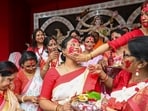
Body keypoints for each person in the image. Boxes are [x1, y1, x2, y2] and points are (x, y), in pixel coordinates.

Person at [73, 0, 148, 63]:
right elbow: (109, 45)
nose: (143, 17)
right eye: (142, 14)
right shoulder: (135, 34)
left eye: (147, 14)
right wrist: (88, 57)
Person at [39, 37, 101, 111]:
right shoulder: (53, 72)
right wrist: (60, 108)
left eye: (78, 45)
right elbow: (43, 101)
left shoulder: (88, 71)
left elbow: (97, 97)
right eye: (73, 45)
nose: (76, 47)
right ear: (63, 51)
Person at [100, 36, 148, 111]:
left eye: (126, 55)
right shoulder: (124, 74)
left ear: (141, 63)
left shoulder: (145, 91)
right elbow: (114, 86)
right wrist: (101, 73)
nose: (121, 58)